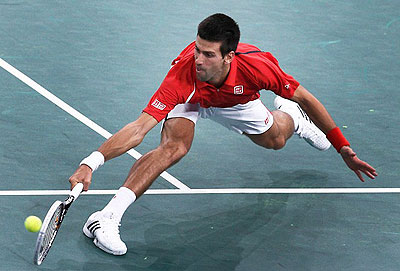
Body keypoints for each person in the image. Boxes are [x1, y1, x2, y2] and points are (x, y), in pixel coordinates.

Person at [69, 13, 377, 255]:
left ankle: (293, 120)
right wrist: (90, 162)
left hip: (235, 100)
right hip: (193, 98)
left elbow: (307, 98)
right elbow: (139, 128)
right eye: (197, 49)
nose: (198, 59)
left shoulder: (258, 67)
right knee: (173, 147)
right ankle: (106, 217)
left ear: (229, 56)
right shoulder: (184, 73)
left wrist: (342, 147)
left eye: (208, 55)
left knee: (275, 140)